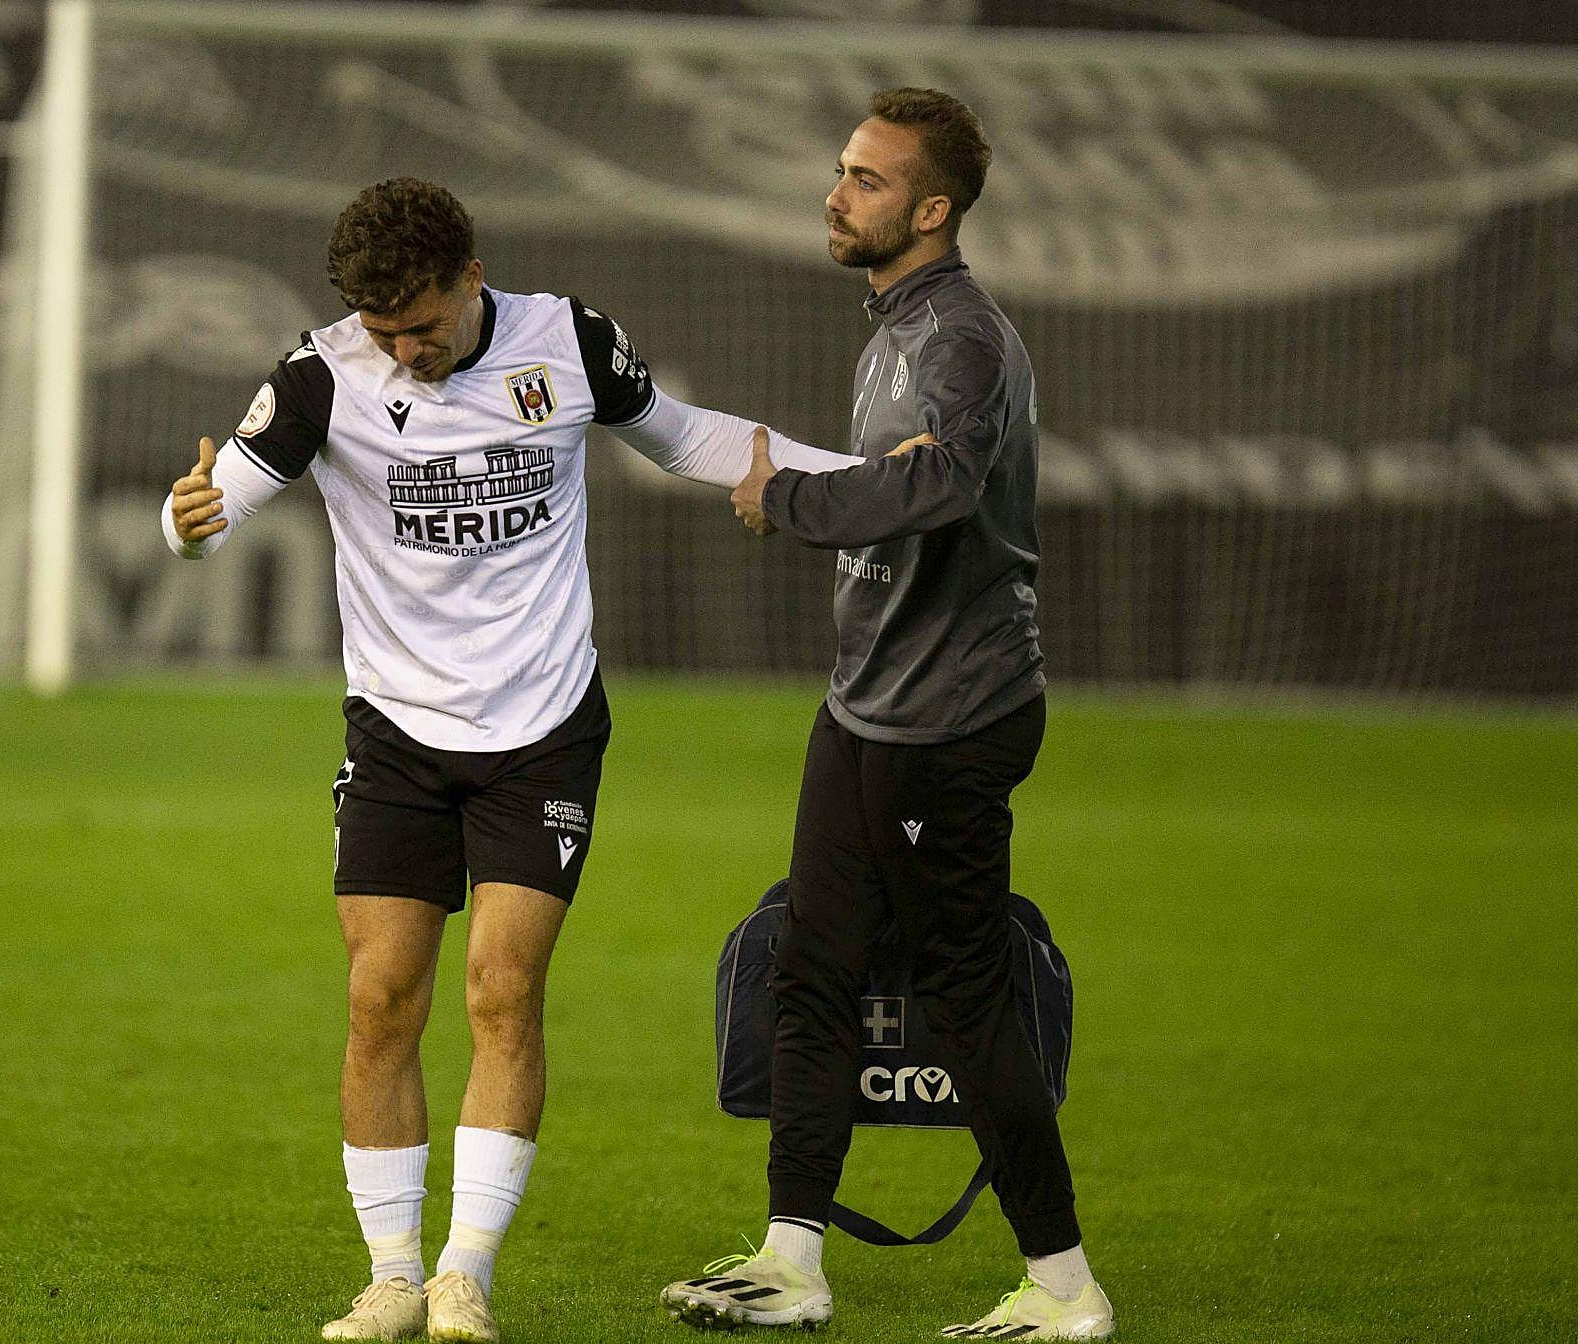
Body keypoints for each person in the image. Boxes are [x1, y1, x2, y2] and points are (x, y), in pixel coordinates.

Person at [163, 178, 859, 1344]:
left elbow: (685, 436)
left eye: (422, 325)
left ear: (472, 279)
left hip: (542, 728)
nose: (405, 350)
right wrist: (185, 528)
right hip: (396, 732)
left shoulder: (567, 343)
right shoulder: (322, 377)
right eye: (383, 331)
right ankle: (391, 1278)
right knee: (381, 997)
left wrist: (863, 478)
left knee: (500, 987)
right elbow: (207, 507)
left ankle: (464, 1276)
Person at [660, 90, 1115, 1340]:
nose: (835, 194)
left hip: (948, 723)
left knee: (965, 998)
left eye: (867, 179)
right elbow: (897, 482)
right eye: (841, 170)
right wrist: (824, 489)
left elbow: (946, 487)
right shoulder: (897, 329)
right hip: (868, 708)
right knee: (813, 967)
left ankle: (1066, 1288)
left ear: (932, 210)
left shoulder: (961, 337)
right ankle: (792, 1259)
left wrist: (789, 503)